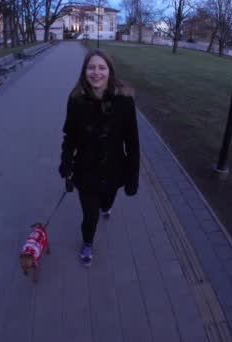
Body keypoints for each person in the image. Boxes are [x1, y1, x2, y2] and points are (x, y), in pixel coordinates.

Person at [59, 49, 140, 267]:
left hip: (114, 169)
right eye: (91, 67)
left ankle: (107, 205)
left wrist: (133, 179)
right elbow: (70, 135)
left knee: (107, 200)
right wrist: (66, 162)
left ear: (109, 71)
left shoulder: (124, 101)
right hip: (85, 171)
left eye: (101, 68)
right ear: (85, 71)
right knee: (89, 214)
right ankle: (87, 242)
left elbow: (132, 143)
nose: (96, 73)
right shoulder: (76, 100)